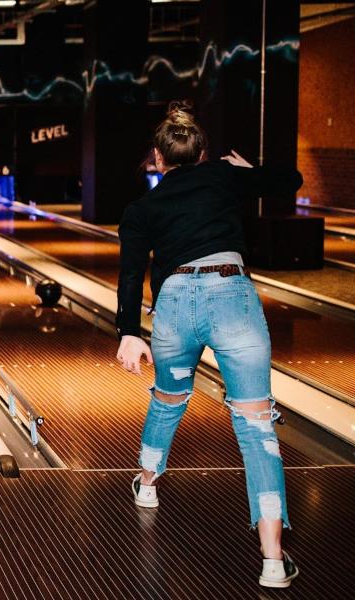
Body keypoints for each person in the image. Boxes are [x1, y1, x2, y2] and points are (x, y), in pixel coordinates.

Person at [116, 101, 302, 589]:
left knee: (169, 400)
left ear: (158, 159)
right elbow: (291, 180)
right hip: (233, 300)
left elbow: (132, 274)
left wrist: (129, 333)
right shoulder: (222, 178)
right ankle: (272, 561)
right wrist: (246, 171)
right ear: (202, 155)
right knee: (257, 428)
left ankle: (148, 485)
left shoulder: (142, 209)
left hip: (175, 307)